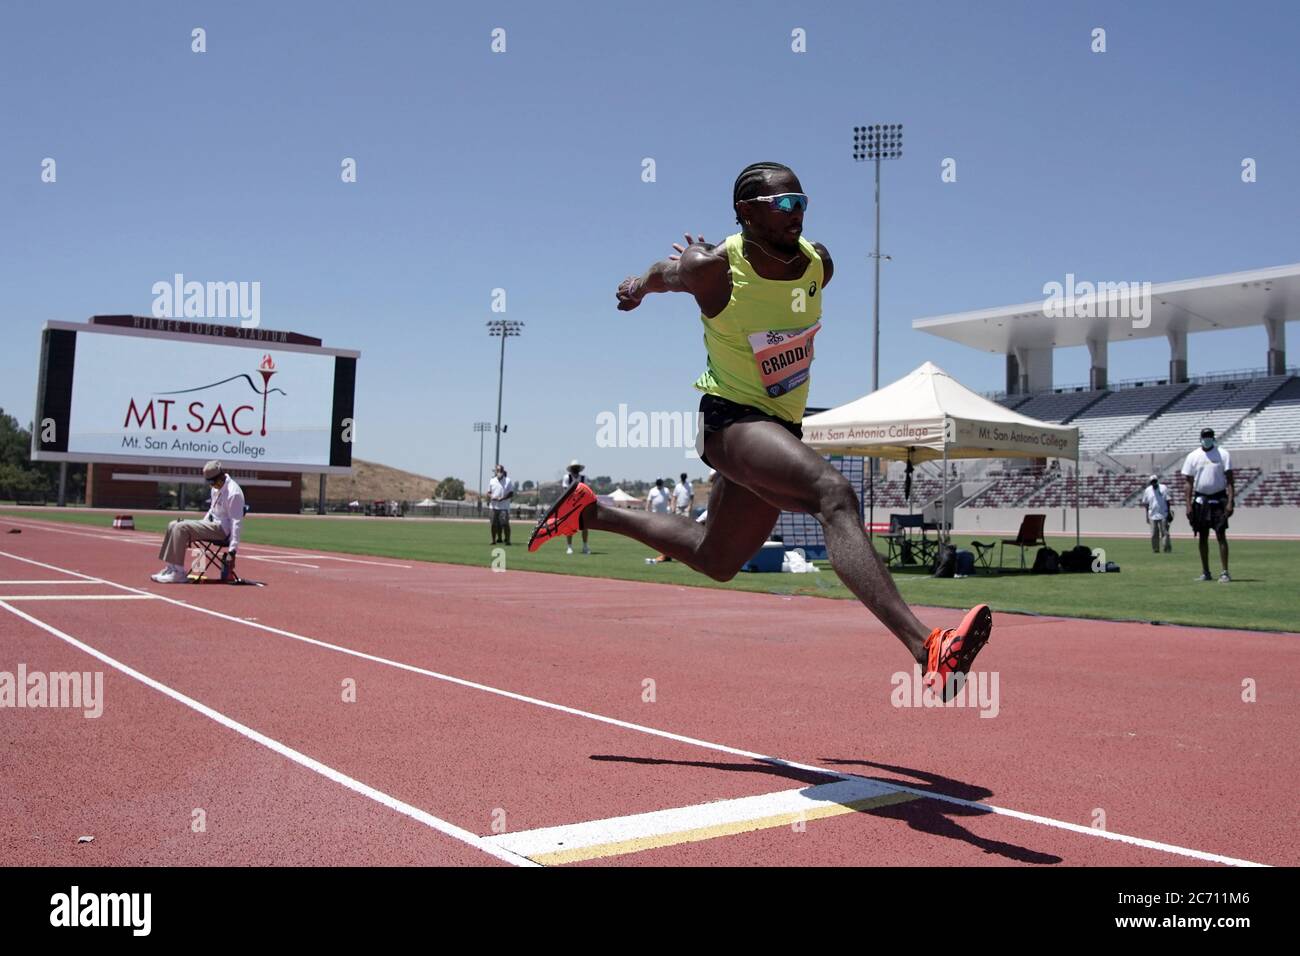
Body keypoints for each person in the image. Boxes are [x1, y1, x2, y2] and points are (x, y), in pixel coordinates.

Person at [528, 161, 991, 699]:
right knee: (833, 494)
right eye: (786, 204)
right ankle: (925, 646)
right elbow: (662, 273)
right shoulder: (713, 268)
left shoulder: (821, 263)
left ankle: (592, 511)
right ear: (747, 212)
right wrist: (637, 288)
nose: (799, 213)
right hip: (729, 422)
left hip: (780, 429)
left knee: (717, 559)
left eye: (803, 202)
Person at [151, 460, 243, 583]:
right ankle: (171, 568)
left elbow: (236, 522)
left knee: (181, 527)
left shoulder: (233, 493)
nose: (212, 485)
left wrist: (233, 550)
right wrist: (201, 523)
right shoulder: (216, 488)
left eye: (213, 482)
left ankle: (178, 573)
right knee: (173, 524)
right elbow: (212, 510)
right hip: (211, 525)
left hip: (222, 530)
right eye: (209, 482)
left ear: (221, 476)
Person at [1181, 427, 1233, 582]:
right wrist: (1188, 504)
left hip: (1218, 499)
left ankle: (1225, 572)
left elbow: (1230, 480)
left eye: (1210, 436)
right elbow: (1188, 483)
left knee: (1221, 535)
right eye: (1205, 436)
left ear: (1214, 438)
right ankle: (1206, 572)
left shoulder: (1223, 454)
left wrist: (1230, 502)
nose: (1207, 438)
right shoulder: (1193, 456)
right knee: (1202, 537)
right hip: (1201, 500)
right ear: (1200, 438)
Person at [561, 460, 590, 555]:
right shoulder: (567, 478)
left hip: (581, 505)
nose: (575, 469)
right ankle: (569, 547)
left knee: (584, 526)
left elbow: (586, 491)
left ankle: (585, 546)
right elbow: (566, 491)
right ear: (571, 469)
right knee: (569, 526)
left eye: (577, 467)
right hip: (570, 505)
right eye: (574, 467)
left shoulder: (584, 478)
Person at [1139, 474, 1172, 554]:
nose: (1153, 483)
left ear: (1157, 481)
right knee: (1154, 533)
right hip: (1152, 514)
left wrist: (1169, 513)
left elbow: (1168, 501)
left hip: (1163, 513)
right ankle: (1156, 549)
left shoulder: (1163, 488)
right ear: (1150, 482)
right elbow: (1146, 504)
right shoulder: (1148, 490)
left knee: (1165, 532)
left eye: (1155, 481)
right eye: (1152, 482)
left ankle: (1166, 548)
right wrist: (1146, 515)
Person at [487, 464, 515, 545]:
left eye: (501, 471)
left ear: (503, 471)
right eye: (498, 471)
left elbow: (511, 493)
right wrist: (491, 496)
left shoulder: (508, 481)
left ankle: (508, 540)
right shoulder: (492, 480)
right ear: (496, 471)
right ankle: (493, 540)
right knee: (493, 524)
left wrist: (503, 498)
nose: (499, 472)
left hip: (504, 507)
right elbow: (488, 492)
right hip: (493, 507)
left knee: (505, 524)